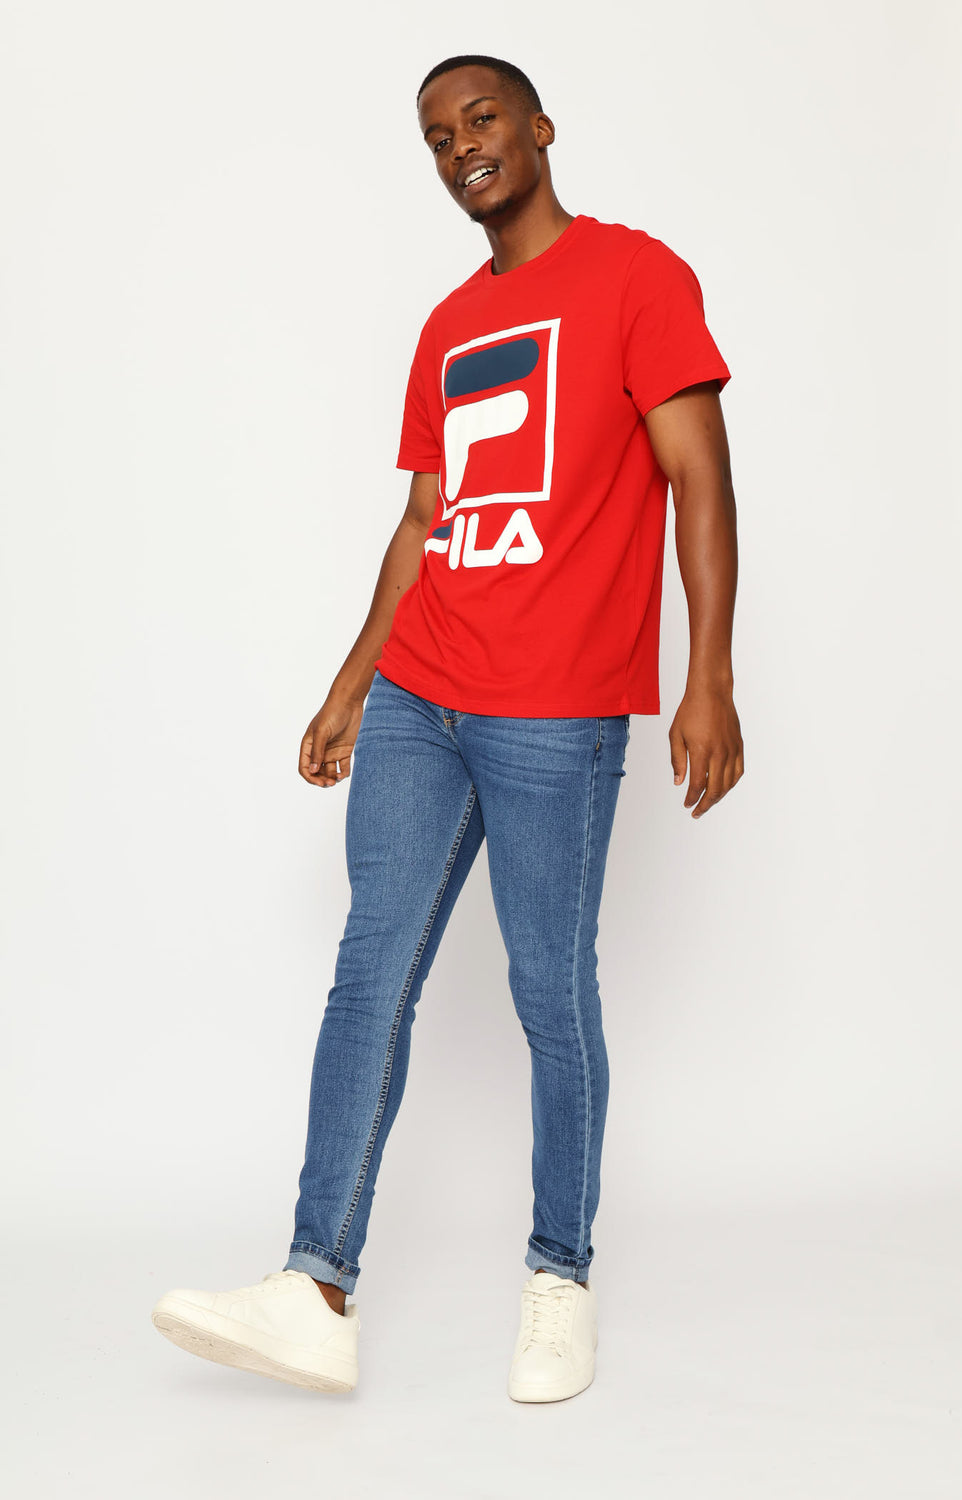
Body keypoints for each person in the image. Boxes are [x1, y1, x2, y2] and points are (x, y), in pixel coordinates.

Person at [152, 52, 743, 1404]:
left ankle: (560, 1278)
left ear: (540, 129)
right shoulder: (446, 326)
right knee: (371, 970)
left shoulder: (637, 275)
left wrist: (708, 674)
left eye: (481, 120)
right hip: (424, 692)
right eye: (435, 136)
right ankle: (315, 1289)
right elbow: (426, 520)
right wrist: (353, 681)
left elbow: (700, 476)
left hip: (556, 708)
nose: (460, 147)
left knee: (549, 990)